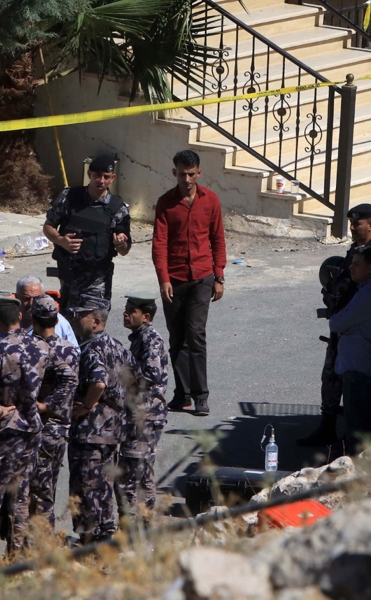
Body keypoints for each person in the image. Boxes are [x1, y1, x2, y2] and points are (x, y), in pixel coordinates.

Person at [0, 298, 52, 554]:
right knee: (20, 495)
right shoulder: (41, 345)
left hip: (6, 429)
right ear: (20, 315)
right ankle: (16, 555)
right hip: (31, 427)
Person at [152, 150, 226, 417]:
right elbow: (159, 243)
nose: (186, 179)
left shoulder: (211, 200)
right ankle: (181, 394)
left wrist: (219, 276)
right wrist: (164, 279)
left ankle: (201, 396)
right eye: (182, 174)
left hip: (202, 277)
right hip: (175, 278)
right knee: (177, 337)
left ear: (199, 173)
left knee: (196, 334)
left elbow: (217, 239)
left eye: (191, 174)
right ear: (175, 173)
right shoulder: (166, 203)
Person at [299, 203, 371, 447]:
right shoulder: (353, 251)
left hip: (360, 330)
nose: (353, 227)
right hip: (341, 327)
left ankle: (354, 436)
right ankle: (327, 427)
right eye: (351, 223)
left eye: (357, 223)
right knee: (331, 377)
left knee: (355, 383)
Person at [68, 294, 135, 543]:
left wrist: (87, 405)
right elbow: (134, 382)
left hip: (90, 430)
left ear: (96, 322)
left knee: (86, 484)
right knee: (104, 483)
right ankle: (106, 533)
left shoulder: (93, 349)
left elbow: (98, 381)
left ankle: (90, 539)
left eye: (81, 315)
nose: (75, 319)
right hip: (112, 429)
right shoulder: (118, 347)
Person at [43, 154, 132, 313]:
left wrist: (120, 242)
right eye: (97, 175)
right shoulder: (69, 197)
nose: (101, 180)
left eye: (106, 177)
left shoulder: (118, 208)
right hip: (69, 276)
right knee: (68, 326)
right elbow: (48, 226)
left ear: (113, 178)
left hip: (97, 281)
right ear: (89, 174)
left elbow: (124, 250)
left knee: (92, 327)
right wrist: (61, 240)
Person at [329, 248, 371, 453]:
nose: (351, 267)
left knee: (359, 433)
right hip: (365, 366)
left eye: (357, 264)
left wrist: (338, 317)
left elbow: (337, 323)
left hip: (361, 371)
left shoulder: (370, 294)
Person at [27, 296, 79, 528]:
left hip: (38, 425)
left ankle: (40, 541)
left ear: (33, 320)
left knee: (37, 490)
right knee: (48, 484)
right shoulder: (70, 350)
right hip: (60, 428)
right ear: (56, 319)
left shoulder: (32, 349)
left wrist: (45, 405)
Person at [118, 294, 169, 516]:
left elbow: (152, 374)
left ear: (146, 317)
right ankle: (146, 523)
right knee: (143, 471)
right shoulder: (140, 337)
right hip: (143, 413)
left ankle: (132, 527)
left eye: (132, 310)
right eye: (126, 309)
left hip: (144, 414)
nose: (126, 313)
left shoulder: (150, 340)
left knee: (131, 473)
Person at [14, 276, 78, 347]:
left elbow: (75, 352)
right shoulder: (7, 320)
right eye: (26, 299)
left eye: (36, 298)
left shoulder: (61, 324)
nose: (31, 303)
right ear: (16, 298)